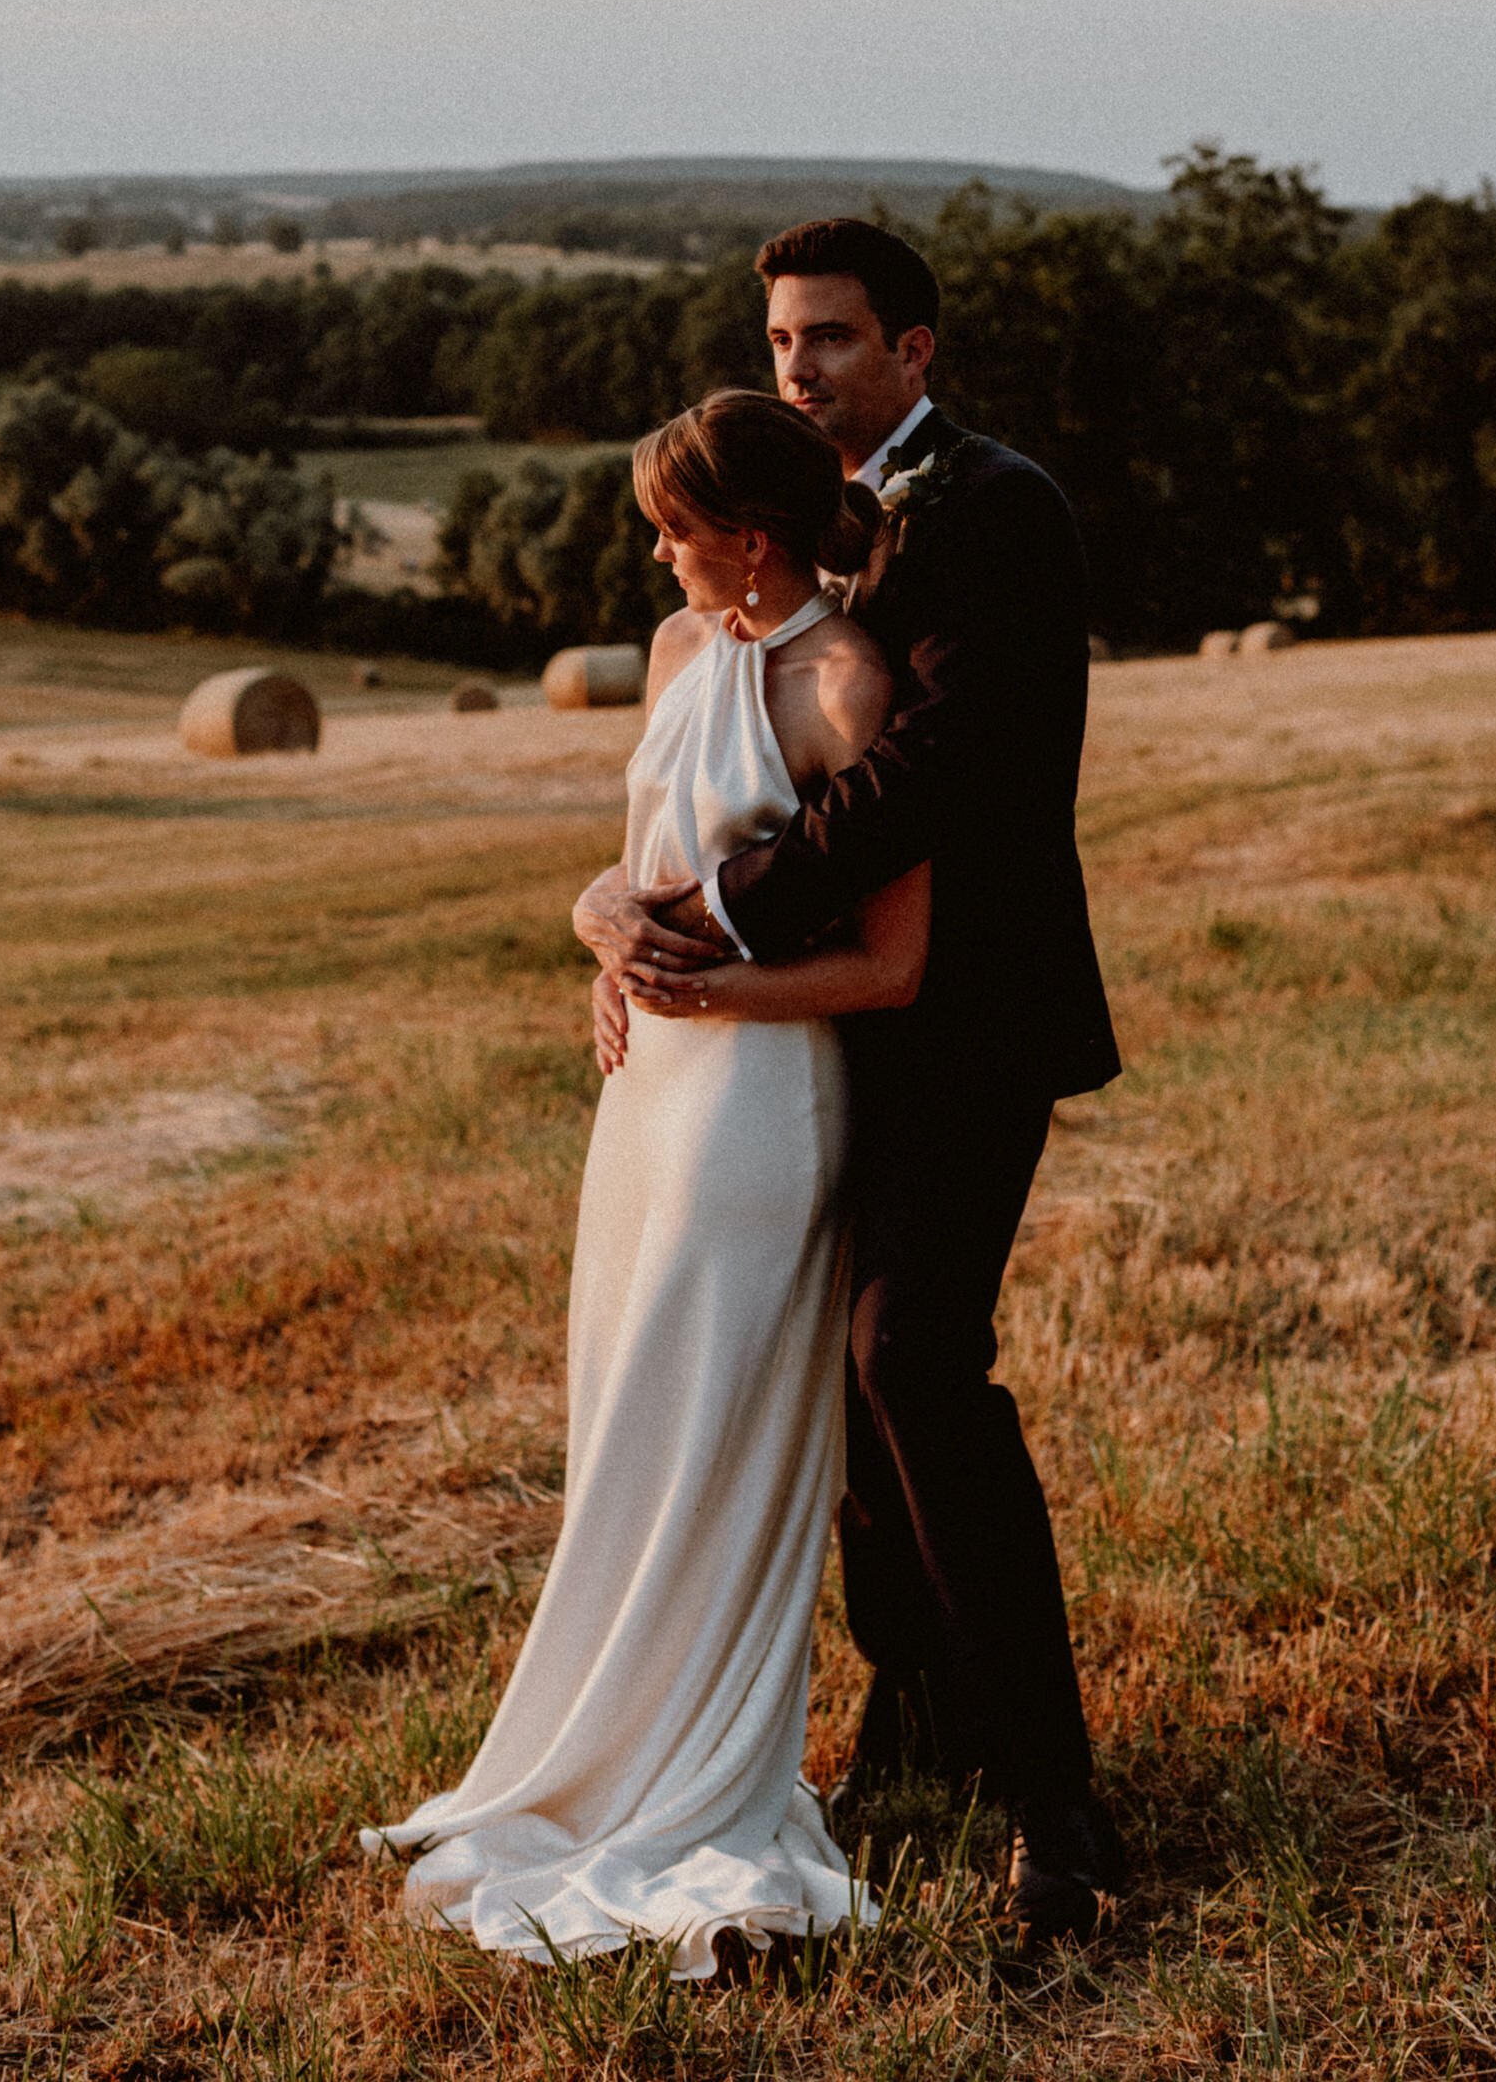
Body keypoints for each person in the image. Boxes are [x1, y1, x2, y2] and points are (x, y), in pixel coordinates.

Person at [578, 218, 1125, 1943]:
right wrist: (620, 919)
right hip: (808, 1040)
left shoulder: (999, 510)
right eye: (782, 337)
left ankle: (1059, 1798)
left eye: (830, 337)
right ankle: (920, 1723)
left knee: (914, 1359)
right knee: (838, 1394)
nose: (798, 364)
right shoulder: (772, 535)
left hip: (964, 1019)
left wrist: (714, 913)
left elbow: (944, 771)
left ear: (917, 350)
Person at [366, 389, 930, 1976]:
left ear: (749, 540)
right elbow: (635, 868)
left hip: (760, 1105)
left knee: (714, 1430)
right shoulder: (683, 654)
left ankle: (703, 1779)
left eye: (673, 532)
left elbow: (891, 968)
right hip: (645, 1101)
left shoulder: (842, 687)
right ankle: (596, 1748)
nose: (655, 557)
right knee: (624, 1417)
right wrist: (597, 933)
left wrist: (708, 998)